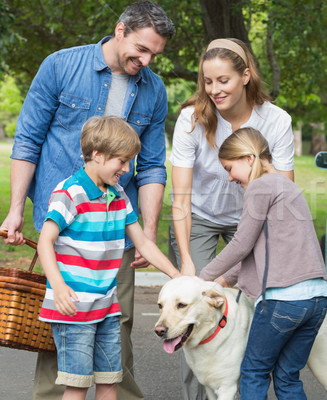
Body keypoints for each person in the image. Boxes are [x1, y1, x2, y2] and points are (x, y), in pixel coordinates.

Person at [0, 2, 175, 399]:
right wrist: (14, 210)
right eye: (141, 49)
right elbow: (27, 140)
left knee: (119, 324)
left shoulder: (154, 89)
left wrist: (146, 231)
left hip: (116, 226)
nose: (146, 61)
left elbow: (150, 166)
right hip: (62, 222)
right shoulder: (61, 66)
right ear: (120, 30)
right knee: (60, 326)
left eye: (155, 54)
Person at [169, 38, 295, 400]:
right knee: (192, 306)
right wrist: (188, 264)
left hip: (251, 219)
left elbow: (280, 199)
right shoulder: (192, 119)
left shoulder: (276, 120)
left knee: (256, 300)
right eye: (208, 82)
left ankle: (247, 387)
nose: (214, 89)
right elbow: (181, 198)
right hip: (202, 217)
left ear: (245, 75)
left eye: (222, 80)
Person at [37, 116, 181, 400]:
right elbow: (45, 241)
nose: (127, 170)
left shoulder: (118, 196)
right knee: (77, 385)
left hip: (107, 306)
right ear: (98, 155)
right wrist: (58, 286)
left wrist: (177, 276)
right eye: (122, 161)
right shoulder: (70, 192)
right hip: (74, 308)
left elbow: (143, 243)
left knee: (109, 381)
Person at [199, 127, 327, 399]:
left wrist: (201, 278)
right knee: (286, 376)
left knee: (254, 370)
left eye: (229, 167)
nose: (230, 177)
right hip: (317, 298)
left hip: (284, 300)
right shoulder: (287, 186)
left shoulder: (260, 187)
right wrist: (222, 281)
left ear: (249, 158)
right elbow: (257, 248)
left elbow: (241, 244)